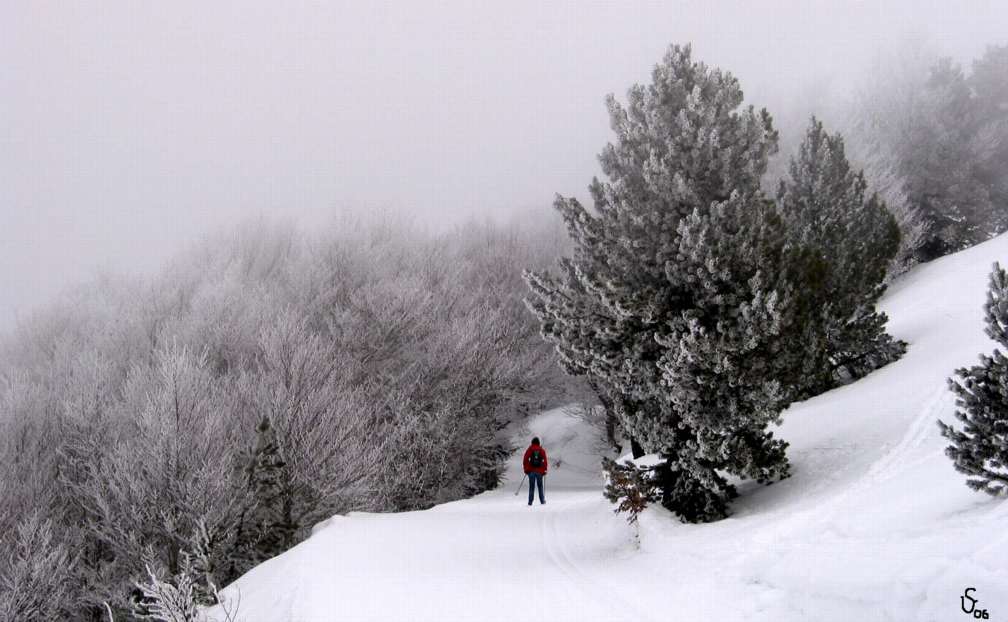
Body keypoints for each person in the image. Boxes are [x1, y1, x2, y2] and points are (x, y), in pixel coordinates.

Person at [522, 437, 548, 505]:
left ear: (532, 442)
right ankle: (542, 501)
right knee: (540, 486)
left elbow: (525, 459)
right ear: (539, 443)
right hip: (539, 471)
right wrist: (544, 470)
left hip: (531, 471)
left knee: (531, 487)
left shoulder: (530, 449)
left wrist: (526, 469)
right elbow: (545, 461)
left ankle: (530, 502)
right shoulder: (541, 450)